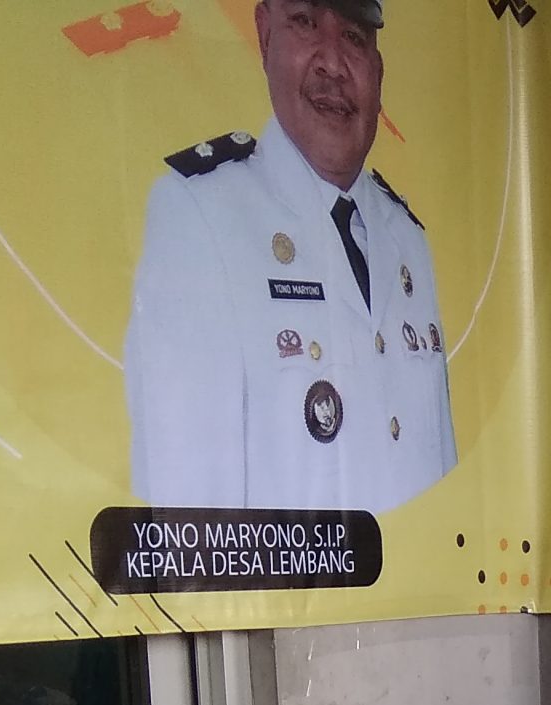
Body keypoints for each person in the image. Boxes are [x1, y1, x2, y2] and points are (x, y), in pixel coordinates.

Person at [125, 0, 455, 512]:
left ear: (378, 68)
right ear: (265, 36)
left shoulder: (407, 239)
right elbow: (190, 515)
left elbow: (447, 496)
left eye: (354, 37)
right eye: (305, 22)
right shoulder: (202, 216)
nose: (333, 63)